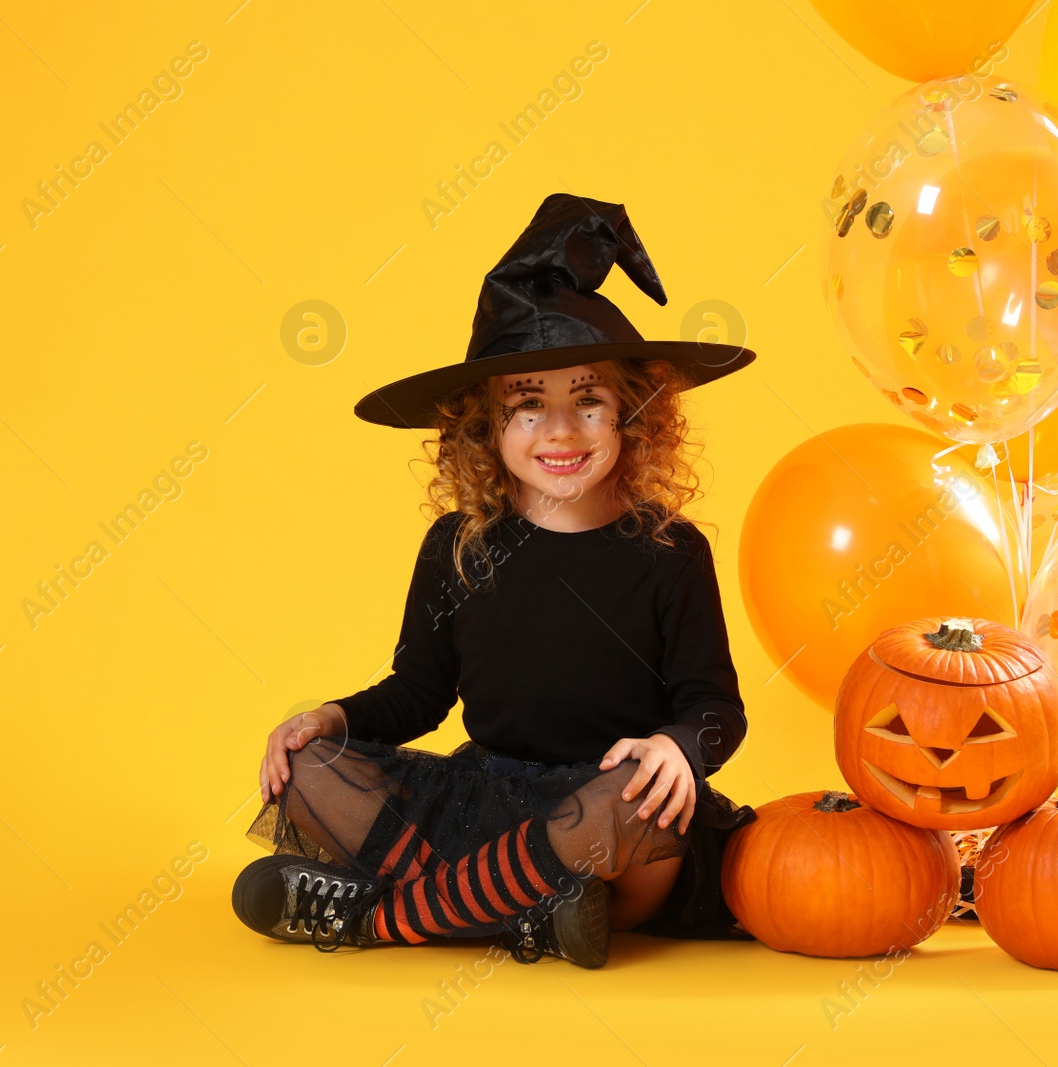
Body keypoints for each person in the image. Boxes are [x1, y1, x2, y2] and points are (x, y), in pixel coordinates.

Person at [234, 193, 760, 968]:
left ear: (632, 414)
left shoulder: (671, 550)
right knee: (309, 773)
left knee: (642, 806)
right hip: (489, 797)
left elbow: (716, 706)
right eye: (527, 407)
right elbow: (419, 691)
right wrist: (332, 717)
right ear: (484, 426)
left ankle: (378, 919)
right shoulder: (460, 545)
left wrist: (681, 747)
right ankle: (532, 915)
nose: (559, 431)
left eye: (588, 402)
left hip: (612, 817)